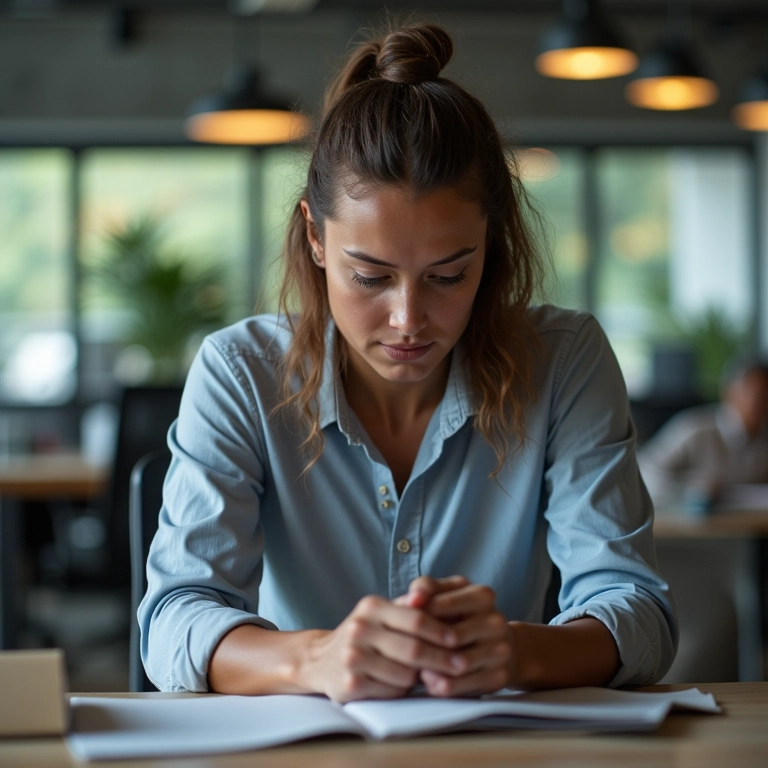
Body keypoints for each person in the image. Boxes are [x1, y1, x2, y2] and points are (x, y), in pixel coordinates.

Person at [139, 23, 677, 701]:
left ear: (492, 242)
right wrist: (315, 660)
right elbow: (172, 624)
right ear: (315, 236)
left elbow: (639, 615)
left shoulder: (564, 362)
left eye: (449, 276)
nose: (408, 320)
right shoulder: (242, 372)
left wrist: (517, 651)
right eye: (371, 278)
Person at [638, 359, 768, 511]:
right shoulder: (693, 429)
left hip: (749, 529)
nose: (760, 403)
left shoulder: (763, 437)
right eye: (755, 394)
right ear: (728, 392)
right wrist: (691, 491)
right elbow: (644, 474)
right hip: (691, 531)